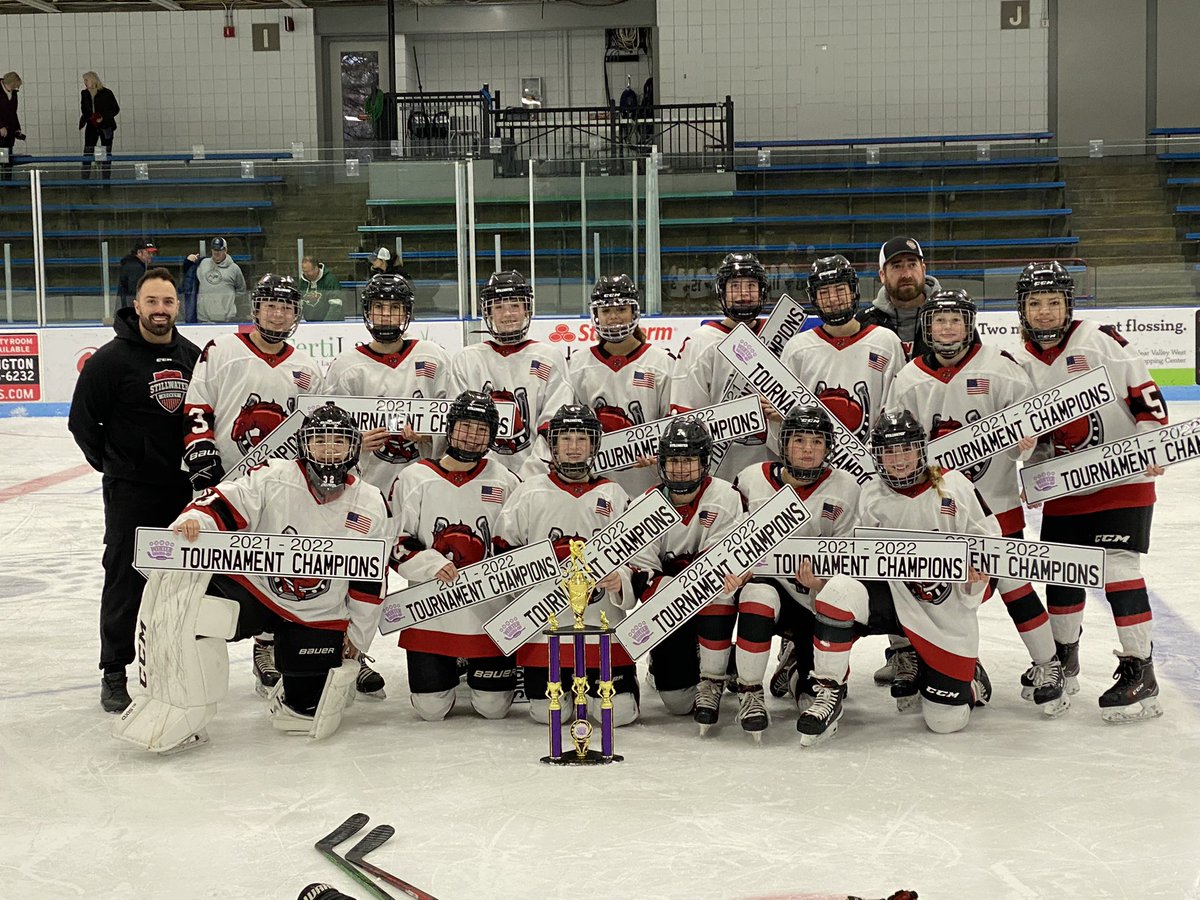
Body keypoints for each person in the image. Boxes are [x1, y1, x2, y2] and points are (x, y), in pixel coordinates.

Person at [117, 403, 390, 752]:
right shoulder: (275, 476)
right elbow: (224, 503)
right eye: (320, 441)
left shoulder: (370, 502)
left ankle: (292, 684)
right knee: (197, 613)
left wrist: (357, 637)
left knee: (304, 715)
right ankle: (189, 710)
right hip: (258, 591)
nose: (329, 450)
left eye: (338, 441)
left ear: (354, 448)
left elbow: (370, 582)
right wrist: (196, 522)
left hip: (318, 611)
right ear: (304, 446)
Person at [889, 288, 1068, 715]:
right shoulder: (909, 378)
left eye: (955, 319)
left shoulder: (1002, 368)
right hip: (935, 511)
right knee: (939, 593)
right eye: (939, 320)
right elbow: (891, 442)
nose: (947, 328)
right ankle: (956, 664)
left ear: (970, 325)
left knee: (1012, 583)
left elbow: (1036, 429)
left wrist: (1032, 442)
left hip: (997, 499)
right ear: (926, 327)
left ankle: (1049, 664)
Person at [1012, 261, 1167, 723]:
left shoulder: (1100, 340)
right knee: (1062, 573)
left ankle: (1141, 670)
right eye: (1035, 303)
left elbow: (1146, 399)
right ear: (1022, 308)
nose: (1044, 312)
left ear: (1068, 305)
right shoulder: (1016, 360)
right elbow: (1035, 435)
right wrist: (1032, 465)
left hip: (1122, 480)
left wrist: (1151, 440)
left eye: (1053, 302)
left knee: (1118, 569)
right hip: (1066, 487)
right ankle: (1064, 659)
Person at [794, 410, 995, 747]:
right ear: (878, 456)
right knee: (839, 592)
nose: (898, 460)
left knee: (945, 722)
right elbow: (856, 560)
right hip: (892, 600)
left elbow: (991, 543)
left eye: (905, 450)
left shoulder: (955, 486)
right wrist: (821, 584)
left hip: (942, 611)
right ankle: (828, 690)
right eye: (889, 452)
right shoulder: (871, 494)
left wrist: (978, 572)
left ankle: (969, 678)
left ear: (921, 450)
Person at [181, 274, 328, 697]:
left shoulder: (307, 368)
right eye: (270, 305)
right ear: (256, 308)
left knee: (277, 568)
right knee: (210, 571)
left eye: (287, 307)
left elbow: (311, 433)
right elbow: (198, 405)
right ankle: (197, 653)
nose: (278, 314)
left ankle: (267, 648)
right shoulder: (222, 350)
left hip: (279, 491)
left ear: (296, 315)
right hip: (224, 484)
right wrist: (201, 452)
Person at [67, 267, 200, 713]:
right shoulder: (109, 360)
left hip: (184, 491)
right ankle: (114, 670)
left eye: (167, 302)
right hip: (131, 492)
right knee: (125, 578)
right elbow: (83, 423)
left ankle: (174, 661)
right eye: (152, 302)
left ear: (178, 306)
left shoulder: (193, 356)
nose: (160, 310)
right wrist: (116, 466)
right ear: (136, 304)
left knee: (185, 579)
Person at [494, 404, 640, 727]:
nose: (574, 448)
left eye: (582, 439)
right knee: (547, 714)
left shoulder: (614, 494)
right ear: (553, 446)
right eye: (565, 439)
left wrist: (621, 581)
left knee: (619, 713)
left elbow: (636, 562)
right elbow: (502, 554)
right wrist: (523, 599)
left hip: (603, 628)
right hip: (545, 633)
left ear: (594, 445)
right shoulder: (528, 492)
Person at [386, 391, 522, 722]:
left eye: (482, 430)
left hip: (488, 615)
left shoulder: (505, 481)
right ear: (450, 428)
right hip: (430, 610)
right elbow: (395, 541)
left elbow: (517, 544)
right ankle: (452, 662)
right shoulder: (414, 478)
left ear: (492, 435)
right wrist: (432, 564)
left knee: (493, 709)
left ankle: (472, 662)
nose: (472, 437)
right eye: (465, 426)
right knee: (431, 710)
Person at [732, 405, 861, 731]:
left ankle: (793, 665)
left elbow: (851, 561)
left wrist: (822, 583)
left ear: (828, 447)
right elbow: (728, 540)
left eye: (817, 442)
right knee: (756, 593)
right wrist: (737, 567)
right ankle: (749, 690)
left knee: (806, 697)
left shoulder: (846, 487)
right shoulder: (751, 480)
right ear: (784, 443)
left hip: (816, 602)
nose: (807, 449)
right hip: (772, 596)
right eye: (799, 440)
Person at [628, 418, 747, 720]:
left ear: (705, 462)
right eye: (674, 460)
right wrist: (676, 592)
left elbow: (722, 566)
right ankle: (670, 663)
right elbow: (644, 574)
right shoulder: (644, 506)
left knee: (723, 589)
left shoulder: (726, 497)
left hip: (712, 604)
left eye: (690, 460)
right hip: (671, 611)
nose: (681, 469)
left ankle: (717, 667)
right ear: (662, 463)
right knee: (678, 704)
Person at [323, 273, 451, 495]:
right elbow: (326, 433)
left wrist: (430, 435)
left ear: (406, 312)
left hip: (427, 485)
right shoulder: (346, 367)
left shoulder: (432, 356)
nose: (385, 315)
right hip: (367, 488)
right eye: (379, 306)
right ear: (368, 311)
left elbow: (455, 420)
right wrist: (354, 443)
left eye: (394, 308)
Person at [445, 271, 574, 474]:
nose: (507, 314)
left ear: (526, 309)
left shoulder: (549, 358)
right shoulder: (467, 359)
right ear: (488, 313)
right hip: (478, 476)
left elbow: (554, 426)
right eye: (498, 307)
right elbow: (459, 428)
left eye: (515, 305)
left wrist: (531, 476)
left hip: (535, 481)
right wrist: (489, 475)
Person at [671, 251, 778, 479]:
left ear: (762, 291)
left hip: (773, 472)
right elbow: (687, 417)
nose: (743, 294)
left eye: (750, 286)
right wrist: (742, 413)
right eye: (735, 286)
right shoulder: (701, 342)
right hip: (719, 473)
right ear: (722, 292)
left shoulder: (781, 338)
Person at [781, 254, 904, 448]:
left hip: (871, 466)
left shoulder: (885, 342)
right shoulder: (797, 349)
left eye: (840, 290)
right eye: (824, 293)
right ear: (814, 298)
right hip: (813, 463)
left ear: (853, 291)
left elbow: (896, 407)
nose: (833, 300)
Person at [566, 275, 673, 496]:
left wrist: (661, 454)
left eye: (621, 309)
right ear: (596, 315)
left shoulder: (661, 362)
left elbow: (671, 424)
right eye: (605, 311)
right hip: (595, 488)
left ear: (634, 312)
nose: (614, 317)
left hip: (650, 485)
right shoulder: (578, 364)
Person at [858, 236, 941, 361]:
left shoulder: (950, 314)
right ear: (882, 275)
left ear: (923, 269)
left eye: (912, 265)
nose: (906, 275)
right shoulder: (865, 322)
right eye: (897, 266)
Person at [192, 237, 247, 324]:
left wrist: (228, 303)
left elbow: (241, 290)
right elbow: (192, 281)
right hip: (204, 318)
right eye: (214, 250)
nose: (216, 253)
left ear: (225, 250)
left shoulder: (234, 268)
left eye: (219, 250)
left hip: (227, 319)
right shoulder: (203, 264)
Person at [80, 71, 119, 180]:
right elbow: (84, 109)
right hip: (92, 125)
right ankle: (85, 179)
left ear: (92, 80)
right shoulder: (85, 94)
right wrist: (88, 117)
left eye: (86, 80)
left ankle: (105, 178)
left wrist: (103, 117)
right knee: (88, 150)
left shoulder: (106, 93)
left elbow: (115, 109)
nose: (85, 82)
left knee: (105, 151)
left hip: (105, 125)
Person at [299, 255, 344, 321]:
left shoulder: (330, 280)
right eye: (304, 271)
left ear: (316, 268)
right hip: (310, 324)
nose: (306, 274)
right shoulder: (302, 282)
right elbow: (299, 304)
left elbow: (336, 305)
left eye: (309, 272)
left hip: (331, 325)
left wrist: (325, 325)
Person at [116, 240, 157, 310]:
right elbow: (135, 291)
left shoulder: (132, 264)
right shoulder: (136, 268)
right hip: (132, 309)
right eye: (148, 253)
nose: (151, 256)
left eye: (152, 253)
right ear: (139, 253)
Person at [0, 71, 25, 182]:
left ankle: (7, 181)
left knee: (7, 156)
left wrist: (17, 128)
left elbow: (13, 112)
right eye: (16, 86)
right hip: (1, 131)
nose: (17, 88)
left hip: (8, 132)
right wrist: (0, 126)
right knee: (2, 156)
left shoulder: (13, 93)